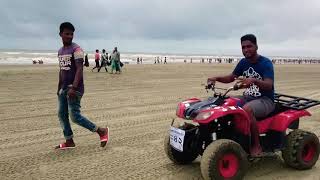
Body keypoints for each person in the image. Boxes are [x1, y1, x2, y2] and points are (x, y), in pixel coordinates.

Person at [207, 34, 275, 157]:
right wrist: (216, 78)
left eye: (249, 46)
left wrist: (254, 80)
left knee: (247, 109)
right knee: (225, 103)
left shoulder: (266, 63)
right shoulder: (243, 62)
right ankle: (228, 136)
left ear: (256, 46)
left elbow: (269, 85)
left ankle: (256, 144)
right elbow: (231, 77)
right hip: (248, 97)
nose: (246, 50)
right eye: (243, 47)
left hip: (265, 100)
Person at [57, 22, 109, 149]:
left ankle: (101, 131)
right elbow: (62, 70)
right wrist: (58, 88)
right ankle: (69, 140)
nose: (69, 36)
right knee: (62, 114)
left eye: (71, 34)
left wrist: (73, 88)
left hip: (75, 89)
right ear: (60, 34)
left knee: (74, 116)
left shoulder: (77, 50)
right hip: (63, 89)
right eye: (66, 34)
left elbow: (80, 69)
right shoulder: (60, 51)